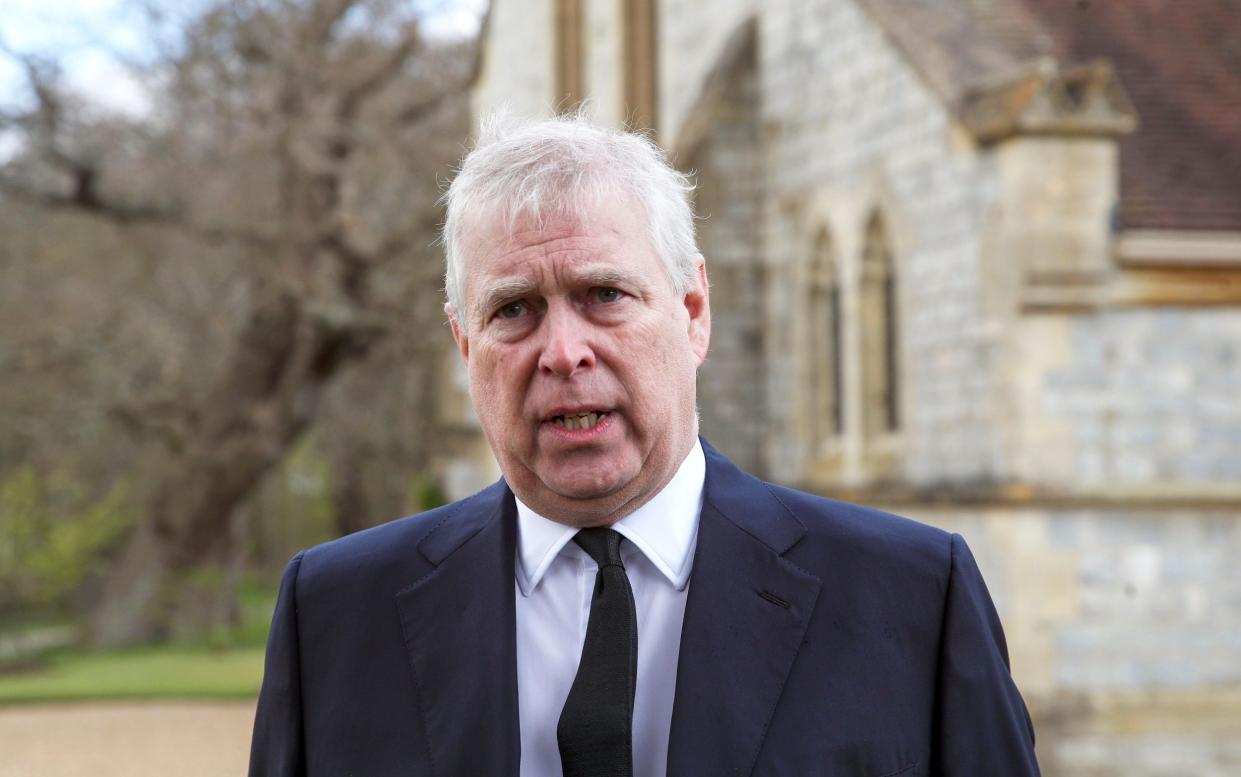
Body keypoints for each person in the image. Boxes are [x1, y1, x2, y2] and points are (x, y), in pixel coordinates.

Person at [249, 114, 1041, 777]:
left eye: (604, 294)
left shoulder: (909, 598)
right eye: (515, 309)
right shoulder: (334, 617)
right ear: (465, 343)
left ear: (693, 311)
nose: (563, 351)